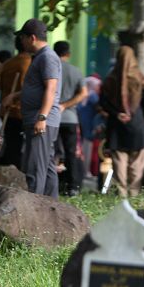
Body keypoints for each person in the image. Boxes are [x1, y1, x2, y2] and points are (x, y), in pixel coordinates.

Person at [3, 19, 62, 198]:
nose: (21, 42)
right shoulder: (39, 58)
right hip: (38, 118)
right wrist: (16, 95)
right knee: (47, 165)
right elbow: (37, 87)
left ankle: (35, 208)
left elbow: (51, 88)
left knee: (35, 166)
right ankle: (52, 205)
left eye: (22, 37)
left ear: (32, 38)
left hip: (41, 120)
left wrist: (42, 118)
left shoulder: (47, 57)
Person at [100, 45, 144, 197]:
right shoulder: (140, 78)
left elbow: (103, 103)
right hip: (137, 125)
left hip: (117, 127)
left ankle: (122, 194)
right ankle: (134, 193)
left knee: (119, 161)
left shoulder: (110, 79)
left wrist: (117, 114)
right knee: (137, 162)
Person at [53, 41, 88, 196]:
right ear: (68, 54)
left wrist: (58, 106)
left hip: (52, 118)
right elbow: (83, 94)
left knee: (53, 153)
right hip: (70, 118)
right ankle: (72, 186)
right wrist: (66, 105)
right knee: (71, 153)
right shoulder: (76, 71)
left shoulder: (51, 69)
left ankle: (54, 184)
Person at [0, 35, 31, 168]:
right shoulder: (28, 62)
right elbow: (27, 89)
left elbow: (1, 87)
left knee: (11, 147)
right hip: (22, 113)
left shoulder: (8, 64)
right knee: (19, 151)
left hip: (7, 112)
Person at [77, 75, 102, 178]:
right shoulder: (93, 96)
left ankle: (83, 170)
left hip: (83, 125)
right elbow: (100, 108)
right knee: (87, 149)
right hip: (89, 127)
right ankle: (85, 170)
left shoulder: (85, 95)